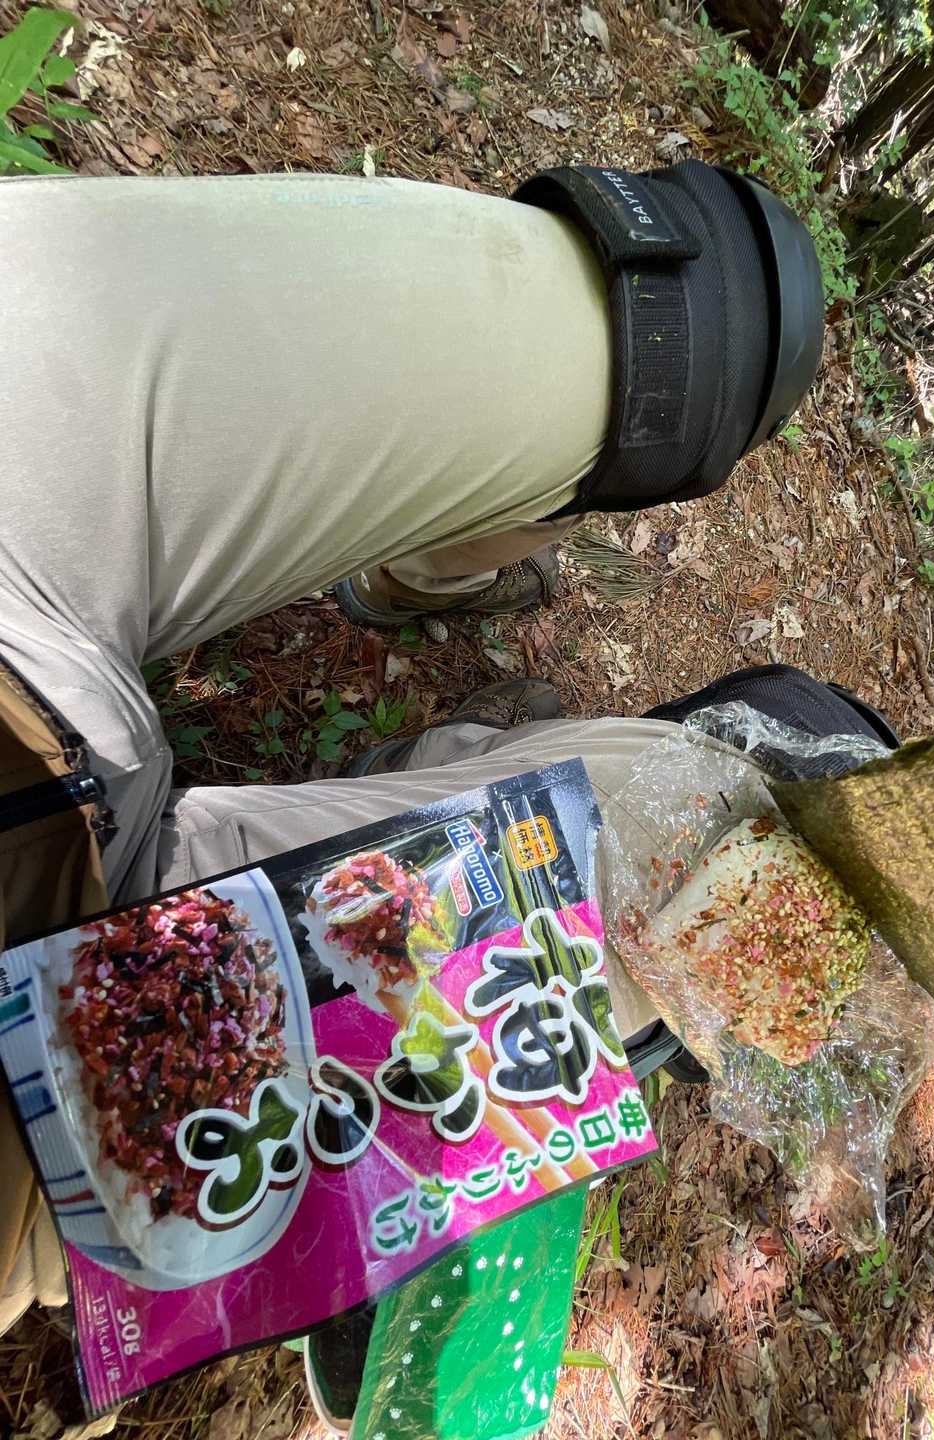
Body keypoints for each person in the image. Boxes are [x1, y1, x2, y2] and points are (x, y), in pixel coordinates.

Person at [0, 164, 825, 1330]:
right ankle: (428, 771)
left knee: (691, 332)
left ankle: (426, 596)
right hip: (42, 1054)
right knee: (740, 850)